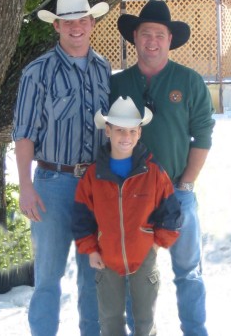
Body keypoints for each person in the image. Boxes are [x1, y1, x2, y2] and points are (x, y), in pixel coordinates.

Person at [110, 0, 216, 336]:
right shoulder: (118, 84)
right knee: (136, 275)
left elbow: (203, 134)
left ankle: (195, 331)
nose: (151, 41)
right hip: (133, 197)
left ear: (170, 39)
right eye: (145, 34)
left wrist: (185, 184)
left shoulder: (188, 81)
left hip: (177, 195)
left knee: (189, 273)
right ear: (135, 38)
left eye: (159, 34)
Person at [12, 0, 111, 336]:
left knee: (93, 276)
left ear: (91, 22)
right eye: (67, 22)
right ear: (56, 26)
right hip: (52, 186)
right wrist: (25, 186)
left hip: (97, 187)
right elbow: (23, 134)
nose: (75, 28)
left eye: (81, 20)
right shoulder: (37, 72)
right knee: (48, 278)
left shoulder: (103, 69)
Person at [72, 96, 181, 336]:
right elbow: (82, 217)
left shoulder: (153, 172)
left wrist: (157, 243)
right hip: (106, 257)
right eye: (120, 130)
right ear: (108, 131)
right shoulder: (93, 175)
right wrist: (90, 249)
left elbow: (170, 210)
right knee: (110, 321)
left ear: (139, 133)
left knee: (145, 321)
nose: (126, 137)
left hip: (144, 255)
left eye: (132, 131)